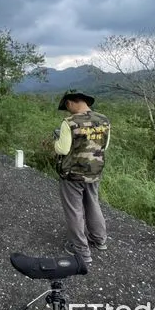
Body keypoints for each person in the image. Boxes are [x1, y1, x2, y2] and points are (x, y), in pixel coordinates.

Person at [53, 91, 111, 264]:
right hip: (95, 171)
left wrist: (55, 141)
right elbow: (104, 146)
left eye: (67, 107)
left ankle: (81, 251)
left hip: (73, 173)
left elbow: (62, 149)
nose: (67, 111)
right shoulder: (104, 120)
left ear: (70, 103)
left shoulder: (69, 123)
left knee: (74, 210)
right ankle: (99, 240)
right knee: (93, 204)